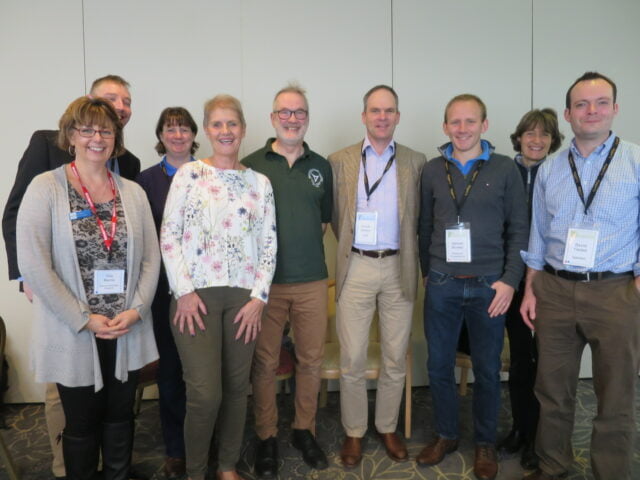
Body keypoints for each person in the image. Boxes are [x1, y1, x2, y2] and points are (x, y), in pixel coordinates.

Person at [1, 74, 140, 480]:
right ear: (74, 129)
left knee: (116, 409)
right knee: (69, 405)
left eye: (126, 101)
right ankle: (67, 470)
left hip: (119, 313)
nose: (119, 107)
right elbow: (17, 217)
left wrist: (136, 305)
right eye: (111, 99)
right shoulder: (46, 158)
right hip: (67, 307)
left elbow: (138, 244)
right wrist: (27, 278)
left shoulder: (129, 168)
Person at [520, 72, 640, 480]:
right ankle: (553, 466)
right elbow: (538, 233)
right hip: (554, 289)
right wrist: (530, 288)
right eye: (582, 104)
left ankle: (611, 472)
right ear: (568, 114)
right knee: (552, 391)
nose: (592, 111)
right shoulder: (551, 168)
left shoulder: (635, 160)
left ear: (615, 109)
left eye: (601, 102)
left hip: (615, 291)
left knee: (616, 394)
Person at [160, 94, 277, 480]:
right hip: (195, 299)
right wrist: (184, 291)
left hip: (244, 301)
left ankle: (227, 466)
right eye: (217, 124)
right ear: (207, 131)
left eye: (232, 123)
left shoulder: (260, 183)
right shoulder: (188, 175)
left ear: (243, 128)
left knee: (236, 389)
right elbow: (169, 236)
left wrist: (259, 298)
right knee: (205, 393)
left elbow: (269, 243)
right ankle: (195, 472)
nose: (225, 131)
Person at [417, 94, 528, 480]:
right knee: (438, 366)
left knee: (486, 369)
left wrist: (510, 281)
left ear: (485, 124)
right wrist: (427, 271)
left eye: (470, 121)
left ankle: (484, 442)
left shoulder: (505, 169)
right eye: (455, 121)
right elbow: (424, 226)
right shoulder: (432, 170)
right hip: (442, 283)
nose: (462, 129)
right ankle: (446, 434)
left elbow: (519, 229)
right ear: (445, 126)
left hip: (489, 287)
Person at [328, 85, 426, 468]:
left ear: (398, 116)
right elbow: (336, 217)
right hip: (356, 265)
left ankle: (387, 426)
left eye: (389, 111)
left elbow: (421, 217)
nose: (382, 117)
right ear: (364, 116)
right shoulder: (340, 161)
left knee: (395, 356)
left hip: (400, 266)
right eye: (375, 110)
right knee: (352, 356)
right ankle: (354, 431)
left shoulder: (416, 162)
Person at [243, 84, 332, 477]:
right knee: (264, 363)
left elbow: (323, 222)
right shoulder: (250, 165)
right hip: (265, 286)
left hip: (312, 281)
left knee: (310, 360)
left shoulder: (321, 167)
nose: (292, 119)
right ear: (272, 118)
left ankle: (303, 430)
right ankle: (266, 436)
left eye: (299, 112)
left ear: (307, 118)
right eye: (285, 112)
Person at [497, 108, 563, 470]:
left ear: (553, 141)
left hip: (550, 281)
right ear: (519, 137)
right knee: (521, 360)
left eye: (545, 135)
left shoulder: (561, 173)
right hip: (513, 280)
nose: (537, 140)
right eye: (530, 133)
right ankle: (521, 429)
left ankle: (542, 438)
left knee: (548, 363)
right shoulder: (503, 171)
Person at [136, 107, 199, 479]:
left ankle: (203, 440)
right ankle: (176, 448)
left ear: (194, 134)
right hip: (164, 291)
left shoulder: (208, 173)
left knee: (204, 372)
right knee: (172, 371)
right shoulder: (145, 181)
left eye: (184, 128)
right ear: (160, 135)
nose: (177, 135)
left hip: (205, 288)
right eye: (170, 129)